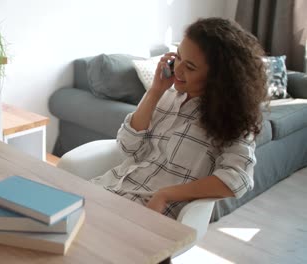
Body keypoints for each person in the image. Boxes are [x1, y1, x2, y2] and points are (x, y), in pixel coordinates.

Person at [90, 17, 268, 219]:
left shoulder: (232, 119)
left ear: (219, 77)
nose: (178, 69)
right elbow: (127, 147)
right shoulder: (165, 95)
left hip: (147, 211)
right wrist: (155, 92)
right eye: (179, 57)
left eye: (190, 67)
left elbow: (238, 179)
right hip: (108, 188)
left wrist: (166, 194)